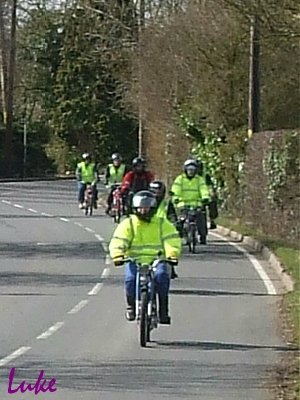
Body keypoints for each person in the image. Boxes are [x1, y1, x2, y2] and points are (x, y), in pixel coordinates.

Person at [109, 190, 181, 324]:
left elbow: (172, 240)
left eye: (147, 208)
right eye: (140, 208)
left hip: (157, 260)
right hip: (134, 260)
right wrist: (117, 255)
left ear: (152, 208)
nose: (143, 211)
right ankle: (131, 306)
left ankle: (163, 310)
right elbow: (119, 240)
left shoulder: (162, 223)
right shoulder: (128, 223)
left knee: (162, 277)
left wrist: (172, 254)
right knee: (130, 279)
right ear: (135, 208)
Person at [171, 159, 210, 244]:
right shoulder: (180, 179)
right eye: (189, 169)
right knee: (180, 221)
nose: (191, 172)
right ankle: (180, 234)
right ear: (185, 170)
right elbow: (176, 189)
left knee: (201, 219)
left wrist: (205, 197)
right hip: (183, 203)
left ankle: (202, 236)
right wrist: (176, 198)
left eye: (193, 170)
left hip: (197, 203)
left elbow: (203, 189)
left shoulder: (199, 180)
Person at [196, 159, 218, 229]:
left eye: (199, 167)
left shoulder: (205, 176)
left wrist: (212, 194)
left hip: (204, 195)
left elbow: (210, 186)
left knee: (213, 203)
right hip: (193, 197)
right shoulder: (188, 176)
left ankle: (212, 220)